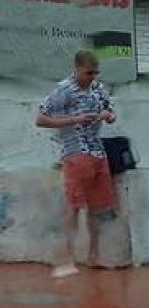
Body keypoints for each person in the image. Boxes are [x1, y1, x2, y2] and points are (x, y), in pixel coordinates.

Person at [35, 51, 118, 278]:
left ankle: (94, 255)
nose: (92, 77)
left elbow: (111, 112)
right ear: (77, 68)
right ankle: (66, 259)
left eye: (95, 73)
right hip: (74, 153)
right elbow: (40, 119)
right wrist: (74, 119)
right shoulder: (63, 90)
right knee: (74, 206)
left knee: (96, 207)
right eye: (88, 73)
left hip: (97, 152)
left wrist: (108, 116)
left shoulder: (98, 88)